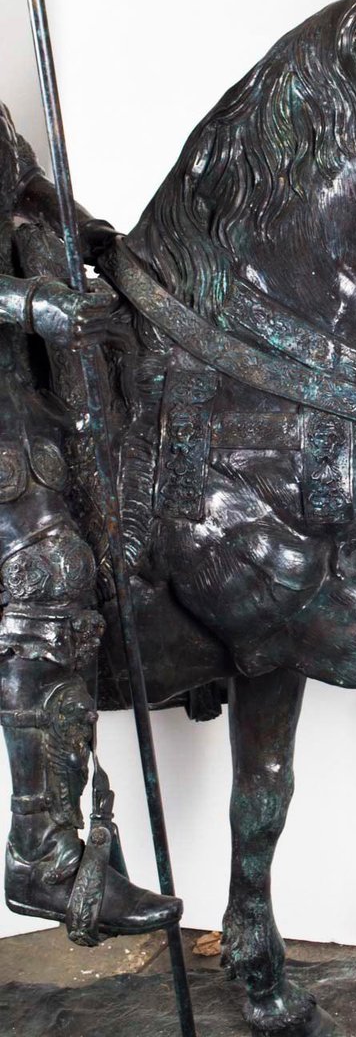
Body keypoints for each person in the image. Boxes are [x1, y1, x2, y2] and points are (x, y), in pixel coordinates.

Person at [0, 102, 181, 944]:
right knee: (50, 571)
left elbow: (28, 188)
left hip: (28, 388)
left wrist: (103, 244)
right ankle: (41, 855)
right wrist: (31, 304)